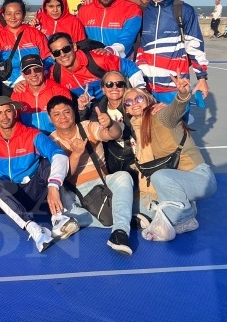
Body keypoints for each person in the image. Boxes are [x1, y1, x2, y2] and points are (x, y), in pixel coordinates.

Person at [0, 96, 78, 252]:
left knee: (48, 162)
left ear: (15, 112)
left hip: (31, 193)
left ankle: (58, 218)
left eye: (8, 111)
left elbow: (59, 155)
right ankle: (34, 229)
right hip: (2, 198)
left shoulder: (32, 134)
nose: (4, 116)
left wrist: (53, 186)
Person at [123, 77, 216, 239]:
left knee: (159, 176)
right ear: (126, 110)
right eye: (129, 102)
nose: (134, 103)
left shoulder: (159, 115)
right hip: (177, 180)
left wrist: (182, 95)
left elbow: (174, 110)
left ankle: (185, 218)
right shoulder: (137, 126)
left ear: (148, 99)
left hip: (201, 179)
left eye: (139, 98)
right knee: (135, 207)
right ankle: (183, 204)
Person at [46, 95, 135, 256]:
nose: (63, 117)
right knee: (58, 206)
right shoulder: (50, 141)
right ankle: (124, 216)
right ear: (50, 118)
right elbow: (64, 176)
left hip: (101, 184)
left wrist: (111, 124)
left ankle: (120, 231)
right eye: (57, 114)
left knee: (123, 176)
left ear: (74, 112)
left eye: (66, 111)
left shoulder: (88, 127)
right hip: (73, 192)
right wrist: (76, 154)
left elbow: (113, 134)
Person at [135, 0, 209, 105]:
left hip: (175, 87)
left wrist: (202, 78)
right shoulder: (140, 11)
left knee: (177, 120)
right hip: (144, 87)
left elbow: (195, 45)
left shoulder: (184, 10)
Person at [0, 0, 51, 96]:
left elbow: (48, 59)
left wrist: (31, 79)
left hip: (36, 86)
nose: (13, 17)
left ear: (23, 14)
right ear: (3, 15)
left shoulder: (36, 34)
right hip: (9, 89)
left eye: (17, 13)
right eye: (8, 14)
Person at [47, 32, 144, 101]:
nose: (63, 55)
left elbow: (131, 68)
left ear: (74, 47)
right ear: (52, 56)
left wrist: (141, 92)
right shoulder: (55, 73)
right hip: (84, 109)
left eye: (66, 49)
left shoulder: (98, 59)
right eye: (56, 53)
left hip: (112, 102)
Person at [78, 70, 137, 180]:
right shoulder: (98, 108)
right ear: (103, 89)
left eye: (119, 84)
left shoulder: (135, 103)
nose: (114, 87)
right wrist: (82, 109)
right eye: (109, 84)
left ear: (126, 88)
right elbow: (87, 128)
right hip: (112, 155)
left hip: (136, 153)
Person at [75, 0, 143, 58]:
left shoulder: (132, 9)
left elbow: (127, 38)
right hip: (94, 63)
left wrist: (109, 50)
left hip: (121, 63)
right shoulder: (84, 10)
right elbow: (77, 38)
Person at [11, 54, 72, 134]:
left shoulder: (60, 91)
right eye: (28, 71)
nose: (33, 74)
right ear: (23, 74)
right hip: (29, 138)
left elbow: (69, 120)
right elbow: (14, 123)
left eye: (37, 69)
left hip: (56, 137)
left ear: (43, 69)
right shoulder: (17, 94)